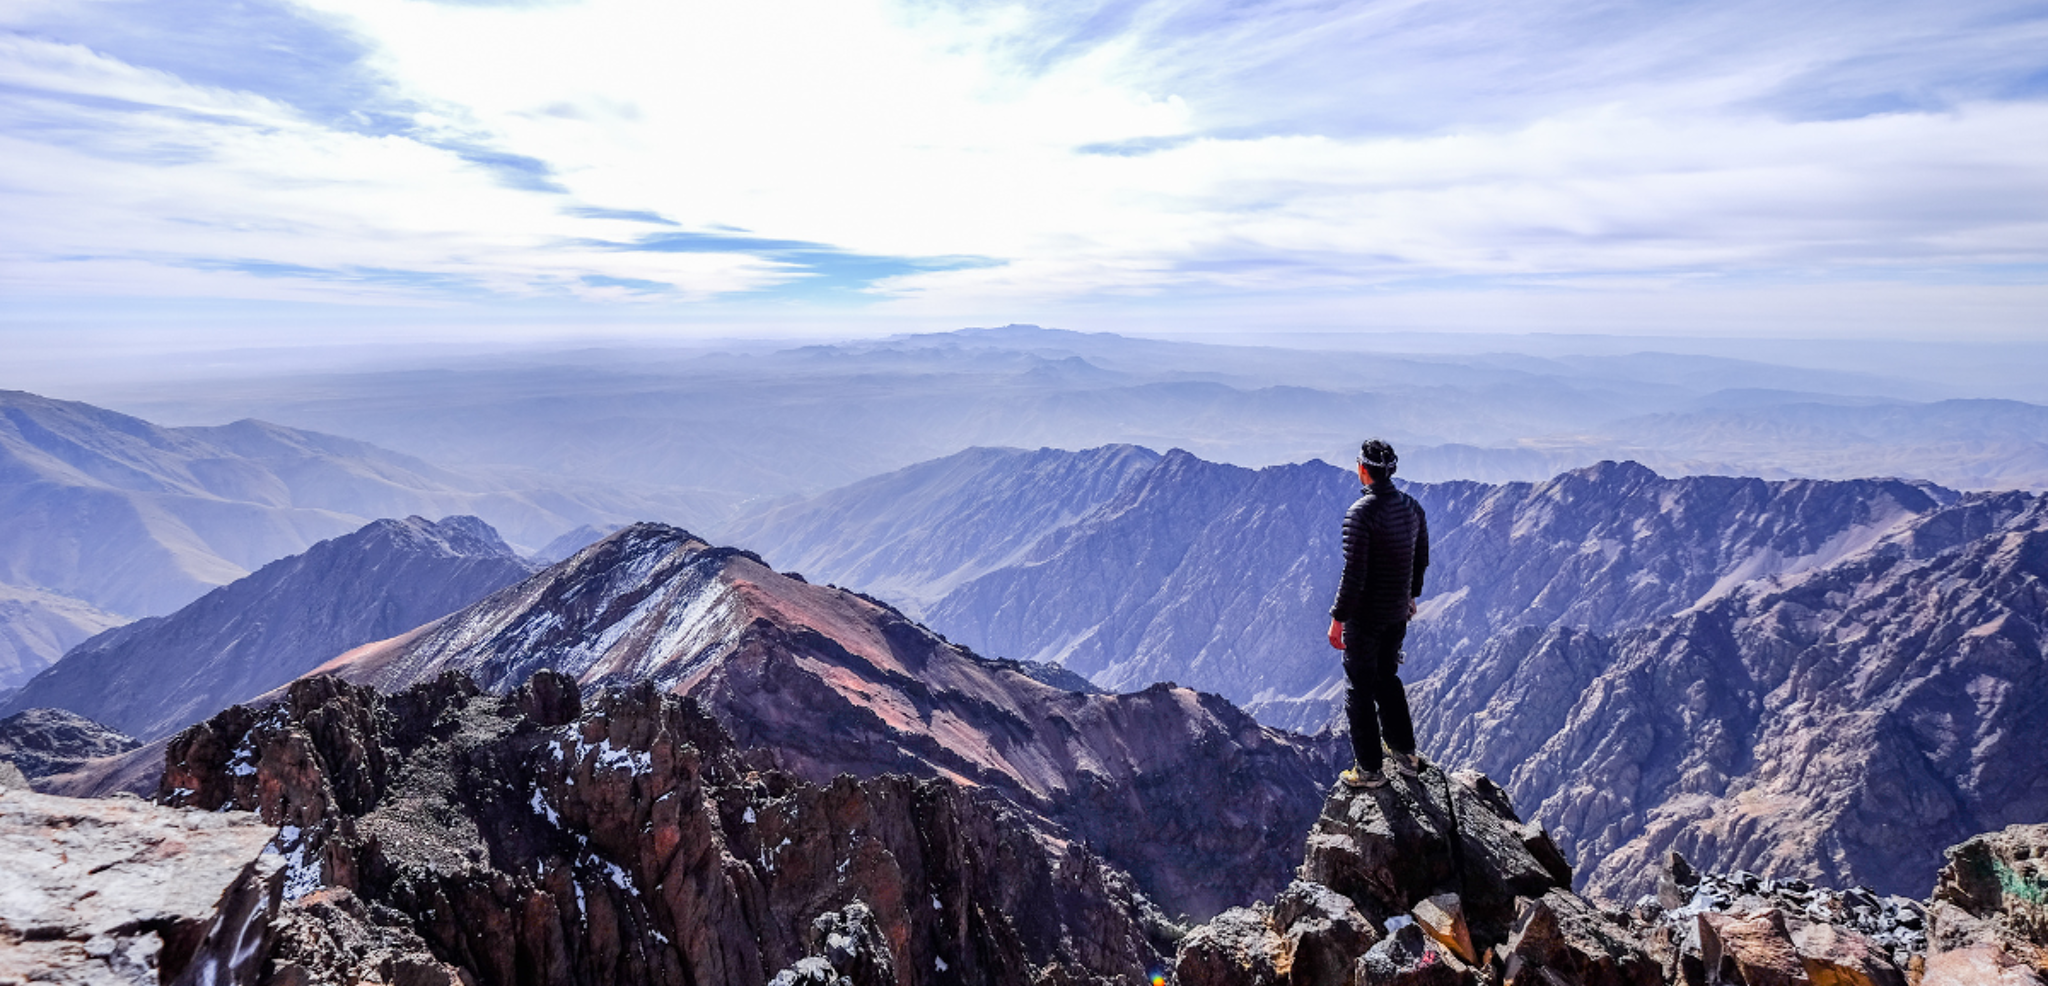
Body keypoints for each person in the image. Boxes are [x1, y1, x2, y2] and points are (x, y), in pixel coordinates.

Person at [1326, 437, 1429, 789]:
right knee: (1387, 679)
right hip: (1397, 614)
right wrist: (1411, 596)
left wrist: (1338, 618)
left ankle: (1369, 770)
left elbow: (1354, 574)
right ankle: (1405, 754)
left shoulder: (1361, 514)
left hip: (1366, 618)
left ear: (1362, 469)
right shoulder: (1412, 507)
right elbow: (1420, 559)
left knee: (1359, 688)